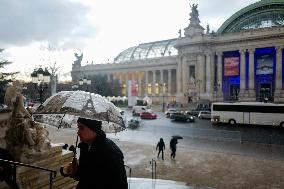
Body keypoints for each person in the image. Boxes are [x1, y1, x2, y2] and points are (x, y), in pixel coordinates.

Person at [64, 117, 128, 189]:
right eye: (78, 128)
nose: (78, 132)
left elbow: (120, 184)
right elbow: (86, 176)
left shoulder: (110, 151)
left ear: (94, 129)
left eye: (81, 128)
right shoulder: (85, 146)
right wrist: (75, 171)